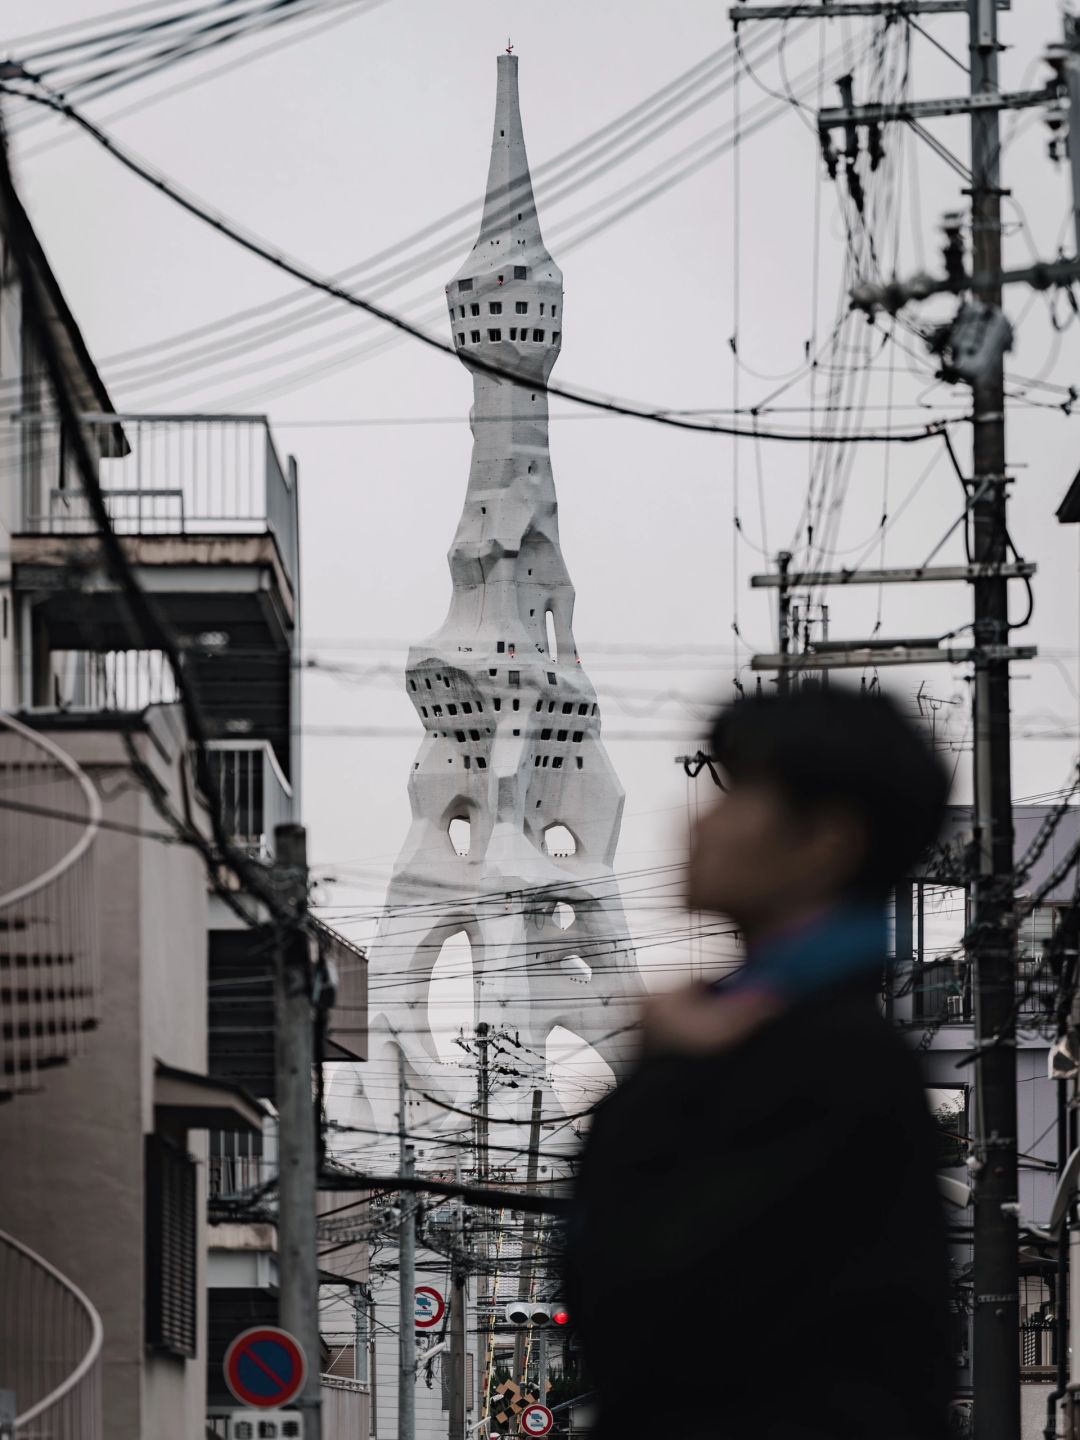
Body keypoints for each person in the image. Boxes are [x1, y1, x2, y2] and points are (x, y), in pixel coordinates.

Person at [566, 686, 954, 1440]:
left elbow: (645, 1301)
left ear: (825, 842)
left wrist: (663, 1073)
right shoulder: (779, 1032)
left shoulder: (830, 1062)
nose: (701, 822)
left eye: (738, 794)